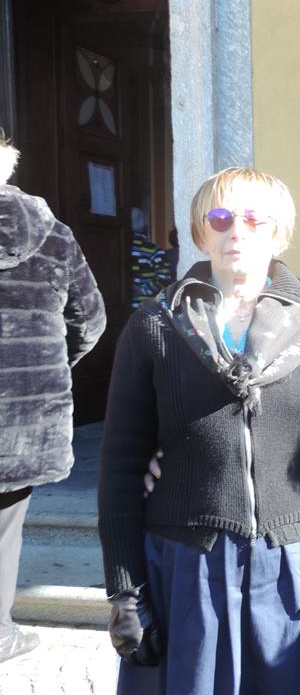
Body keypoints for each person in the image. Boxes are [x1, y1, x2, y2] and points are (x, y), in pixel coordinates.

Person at [98, 167, 300, 693]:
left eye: (253, 218)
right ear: (201, 231)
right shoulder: (155, 326)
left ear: (278, 231)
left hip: (293, 561)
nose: (235, 232)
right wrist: (125, 593)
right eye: (219, 218)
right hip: (187, 564)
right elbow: (121, 463)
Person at [0, 137, 106, 665]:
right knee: (6, 523)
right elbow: (90, 320)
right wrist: (49, 367)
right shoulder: (53, 236)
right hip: (23, 418)